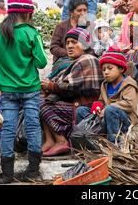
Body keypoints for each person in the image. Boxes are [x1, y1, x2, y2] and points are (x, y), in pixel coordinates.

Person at [0, 0, 48, 184]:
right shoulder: (31, 33)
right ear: (28, 12)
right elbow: (42, 62)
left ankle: (6, 174)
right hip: (30, 88)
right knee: (32, 126)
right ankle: (33, 171)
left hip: (8, 90)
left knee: (8, 127)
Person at [40, 28, 103, 157]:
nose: (69, 46)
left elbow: (71, 88)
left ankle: (61, 140)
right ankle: (50, 140)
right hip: (75, 103)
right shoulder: (77, 61)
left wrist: (51, 86)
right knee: (41, 102)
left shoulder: (87, 60)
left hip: (84, 108)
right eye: (67, 42)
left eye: (74, 42)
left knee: (44, 106)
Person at [76, 46, 138, 144]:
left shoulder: (128, 84)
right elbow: (102, 101)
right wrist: (98, 107)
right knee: (81, 111)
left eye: (110, 68)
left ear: (121, 69)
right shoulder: (105, 85)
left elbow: (129, 104)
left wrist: (107, 108)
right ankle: (88, 141)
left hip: (123, 121)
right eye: (104, 69)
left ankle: (114, 143)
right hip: (106, 117)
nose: (106, 72)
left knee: (110, 110)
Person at [50, 0, 93, 67]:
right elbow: (54, 47)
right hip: (64, 60)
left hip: (84, 60)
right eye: (79, 10)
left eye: (85, 10)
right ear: (71, 12)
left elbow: (94, 47)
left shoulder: (90, 26)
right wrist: (71, 53)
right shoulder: (61, 26)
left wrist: (82, 55)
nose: (83, 13)